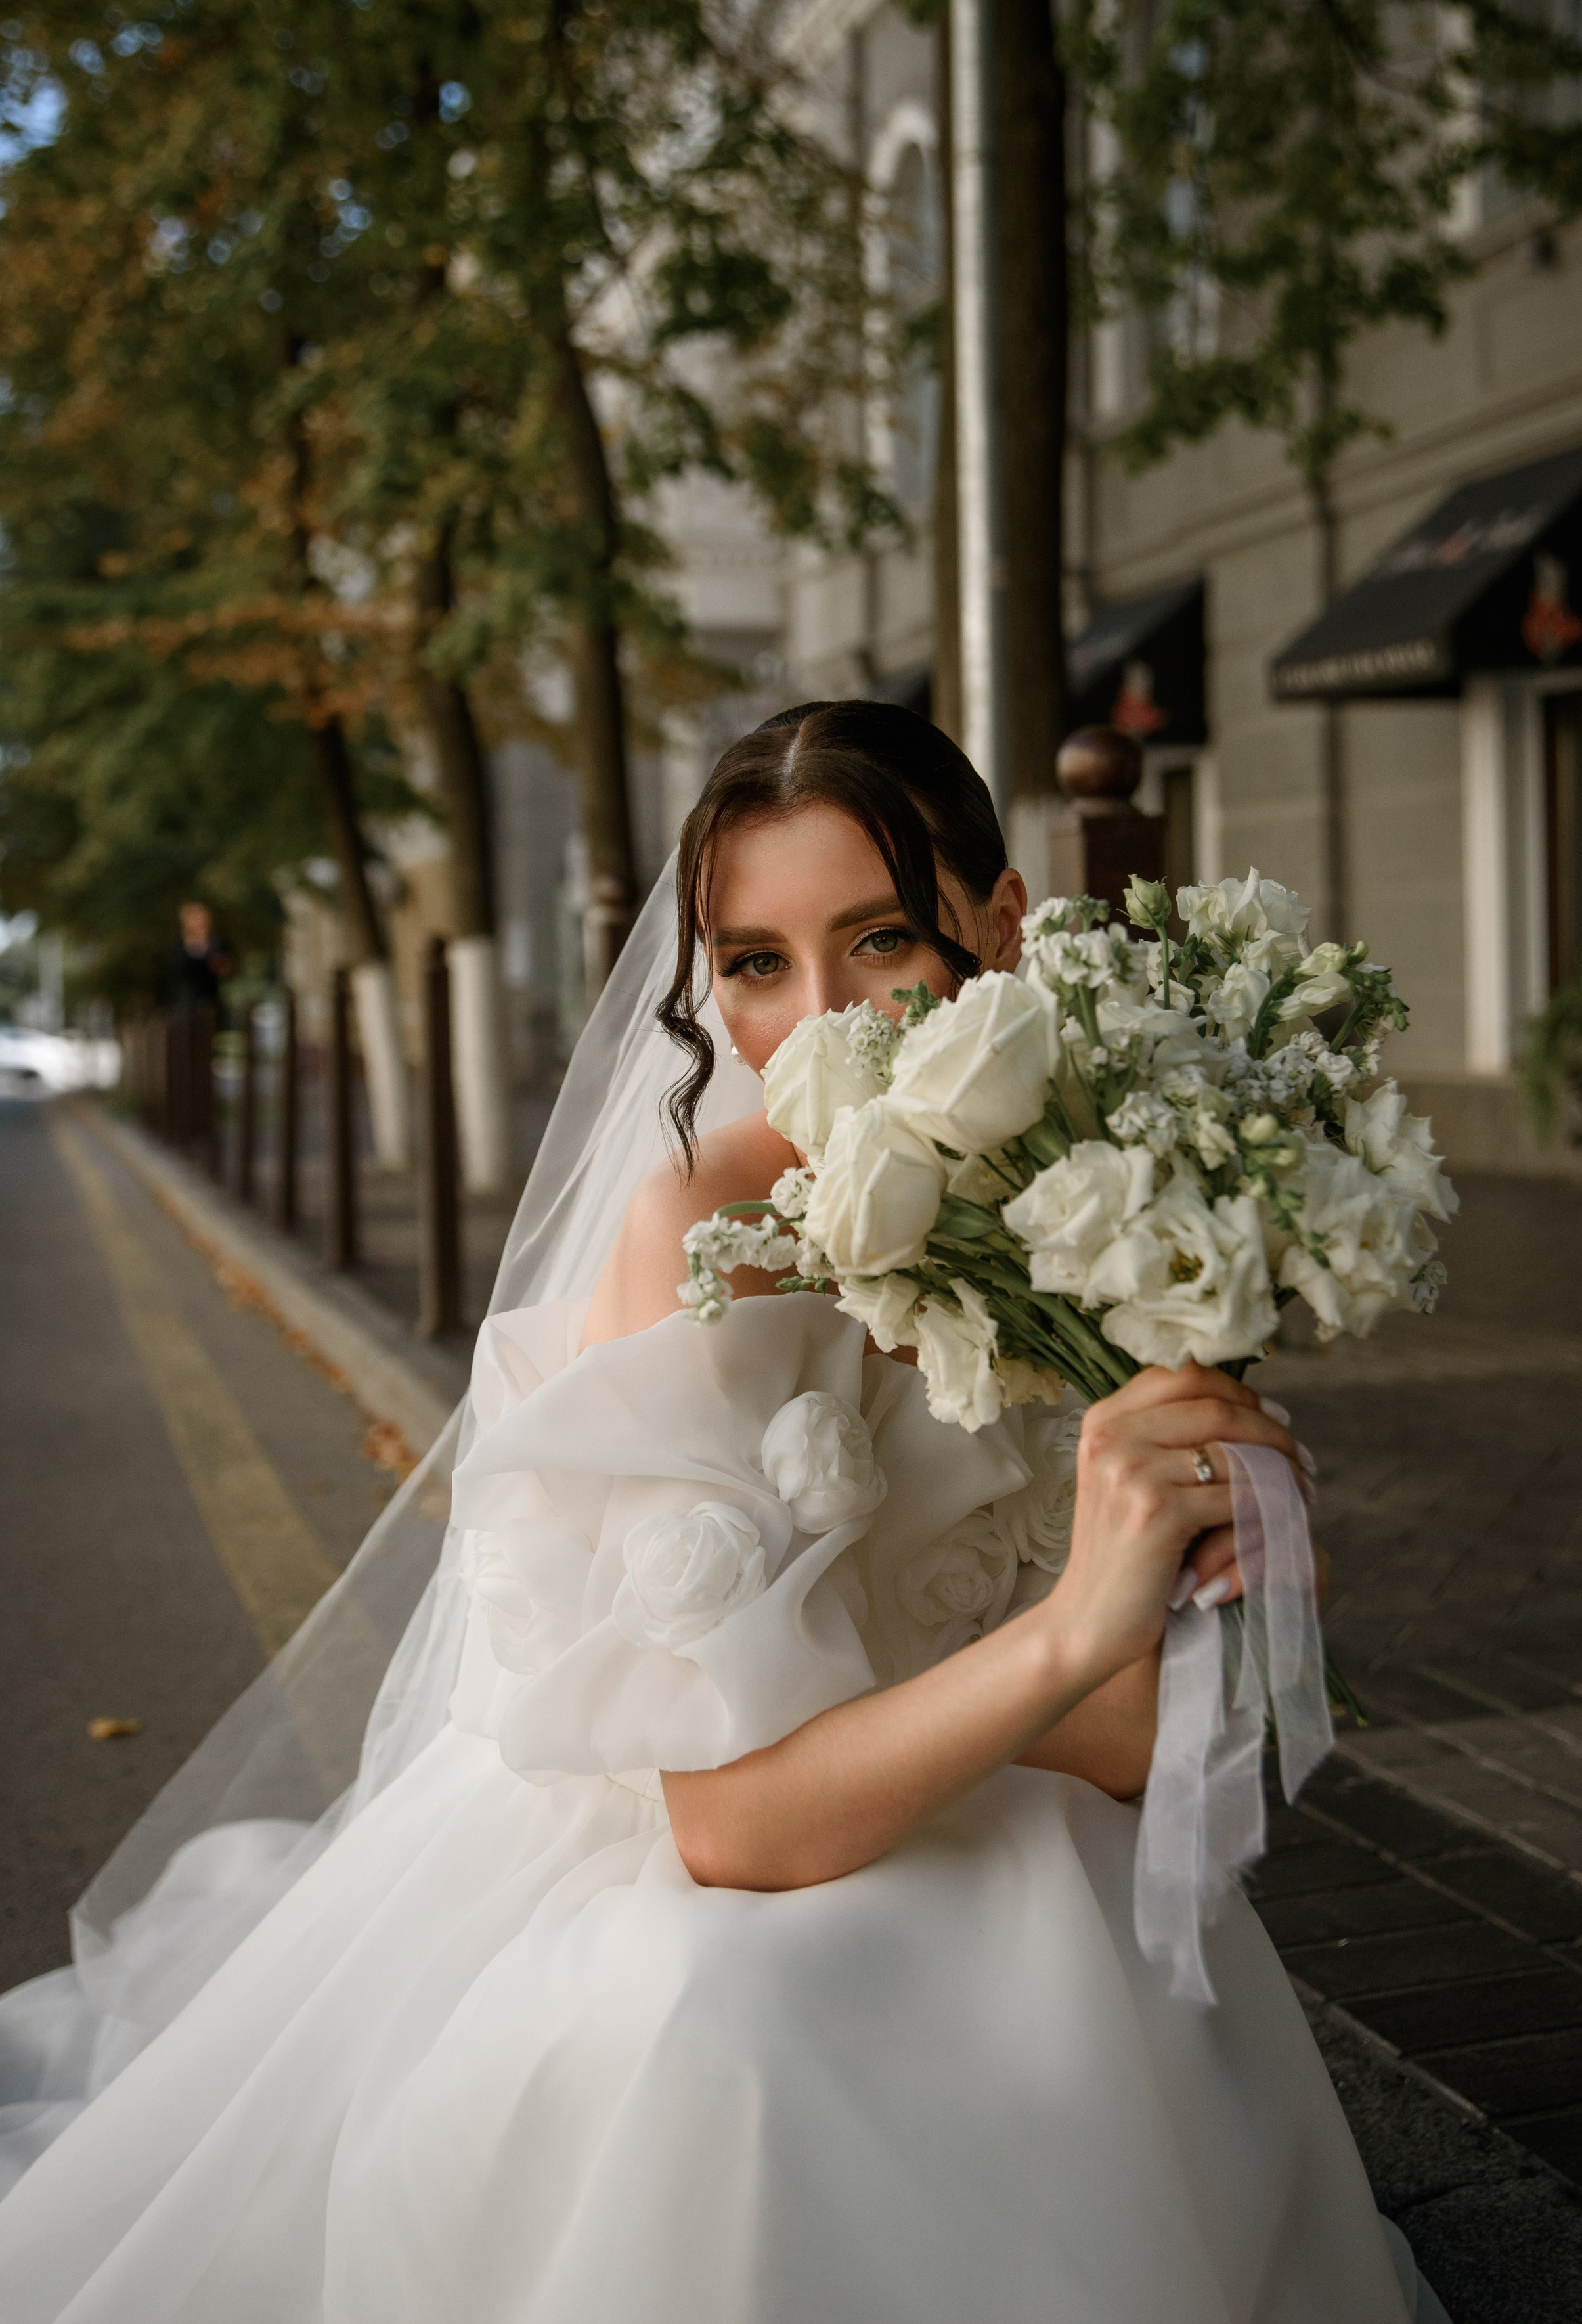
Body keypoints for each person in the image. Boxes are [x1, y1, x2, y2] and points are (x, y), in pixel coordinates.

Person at [0, 702, 1448, 2321]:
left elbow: (1127, 1745)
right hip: (693, 1853)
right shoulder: (703, 1235)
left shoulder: (1099, 1200)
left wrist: (1226, 1580)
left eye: (879, 942)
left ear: (999, 927)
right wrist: (1067, 1633)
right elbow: (728, 1829)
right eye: (754, 963)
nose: (812, 1021)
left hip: (977, 1788)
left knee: (1057, 1959)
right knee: (731, 2026)